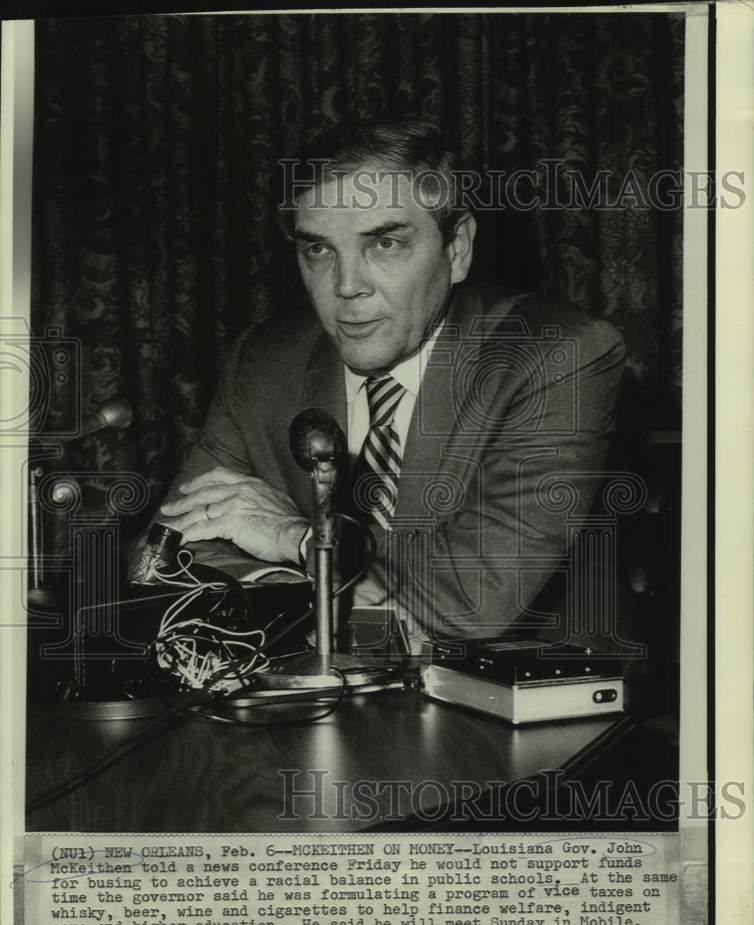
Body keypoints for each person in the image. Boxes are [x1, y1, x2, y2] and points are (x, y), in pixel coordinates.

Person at [153, 118, 627, 645]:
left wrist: (300, 539)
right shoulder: (264, 361)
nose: (346, 286)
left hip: (525, 699)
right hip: (319, 688)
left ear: (457, 248)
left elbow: (477, 598)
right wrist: (318, 596)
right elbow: (166, 555)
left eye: (384, 244)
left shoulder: (555, 353)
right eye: (318, 249)